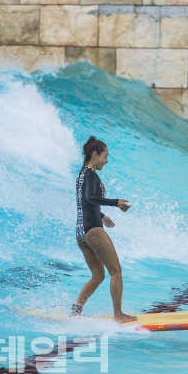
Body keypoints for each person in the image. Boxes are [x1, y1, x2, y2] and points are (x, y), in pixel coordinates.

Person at [72, 136, 135, 323]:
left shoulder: (82, 174)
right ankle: (119, 315)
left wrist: (101, 216)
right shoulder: (91, 174)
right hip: (93, 231)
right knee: (116, 271)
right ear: (94, 154)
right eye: (105, 156)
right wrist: (116, 203)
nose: (106, 161)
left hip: (81, 231)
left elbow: (84, 202)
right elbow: (91, 198)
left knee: (98, 275)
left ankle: (75, 310)